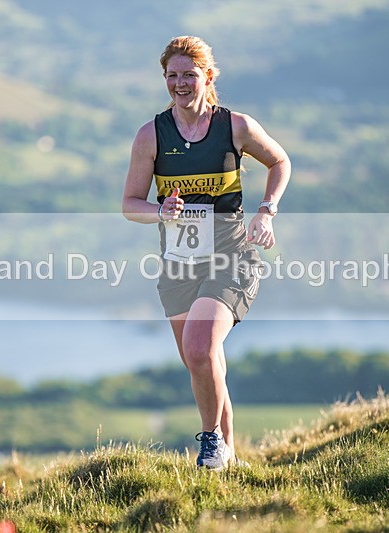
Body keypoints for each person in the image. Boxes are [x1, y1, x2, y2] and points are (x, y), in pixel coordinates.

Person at [122, 36, 290, 470]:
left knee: (199, 349)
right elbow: (130, 205)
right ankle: (229, 462)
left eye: (189, 75)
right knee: (203, 363)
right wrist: (159, 210)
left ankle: (211, 440)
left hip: (231, 258)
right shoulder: (150, 135)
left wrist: (267, 212)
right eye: (172, 75)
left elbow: (280, 162)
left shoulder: (235, 127)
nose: (180, 83)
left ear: (208, 77)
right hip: (178, 266)